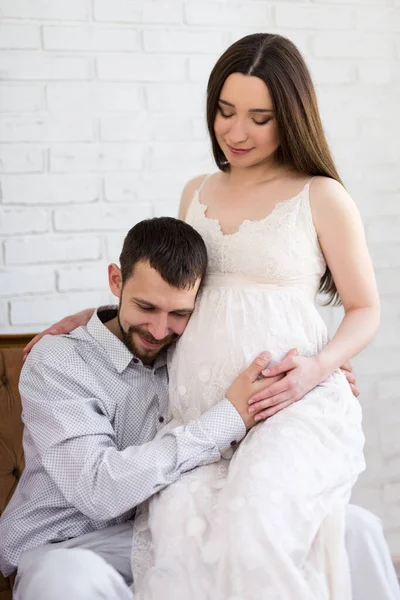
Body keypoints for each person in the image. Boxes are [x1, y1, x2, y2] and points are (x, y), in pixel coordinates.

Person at [16, 33, 399, 600]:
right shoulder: (196, 192)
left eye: (259, 118)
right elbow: (180, 287)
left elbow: (365, 310)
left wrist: (320, 368)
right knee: (179, 539)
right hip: (200, 413)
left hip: (283, 402)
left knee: (257, 528)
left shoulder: (321, 196)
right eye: (225, 111)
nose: (236, 132)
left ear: (291, 117)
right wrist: (100, 317)